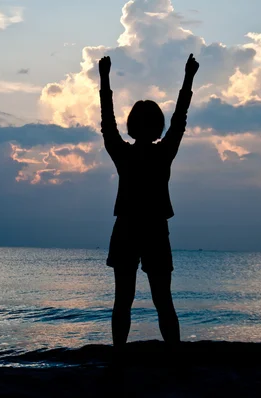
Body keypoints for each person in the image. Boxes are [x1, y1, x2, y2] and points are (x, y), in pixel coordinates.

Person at [99, 53, 200, 350]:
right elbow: (179, 119)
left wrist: (104, 78)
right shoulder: (162, 152)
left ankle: (120, 356)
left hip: (130, 227)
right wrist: (189, 77)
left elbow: (107, 122)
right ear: (157, 126)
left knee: (124, 301)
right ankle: (173, 357)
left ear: (134, 124)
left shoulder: (124, 152)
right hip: (153, 229)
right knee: (162, 301)